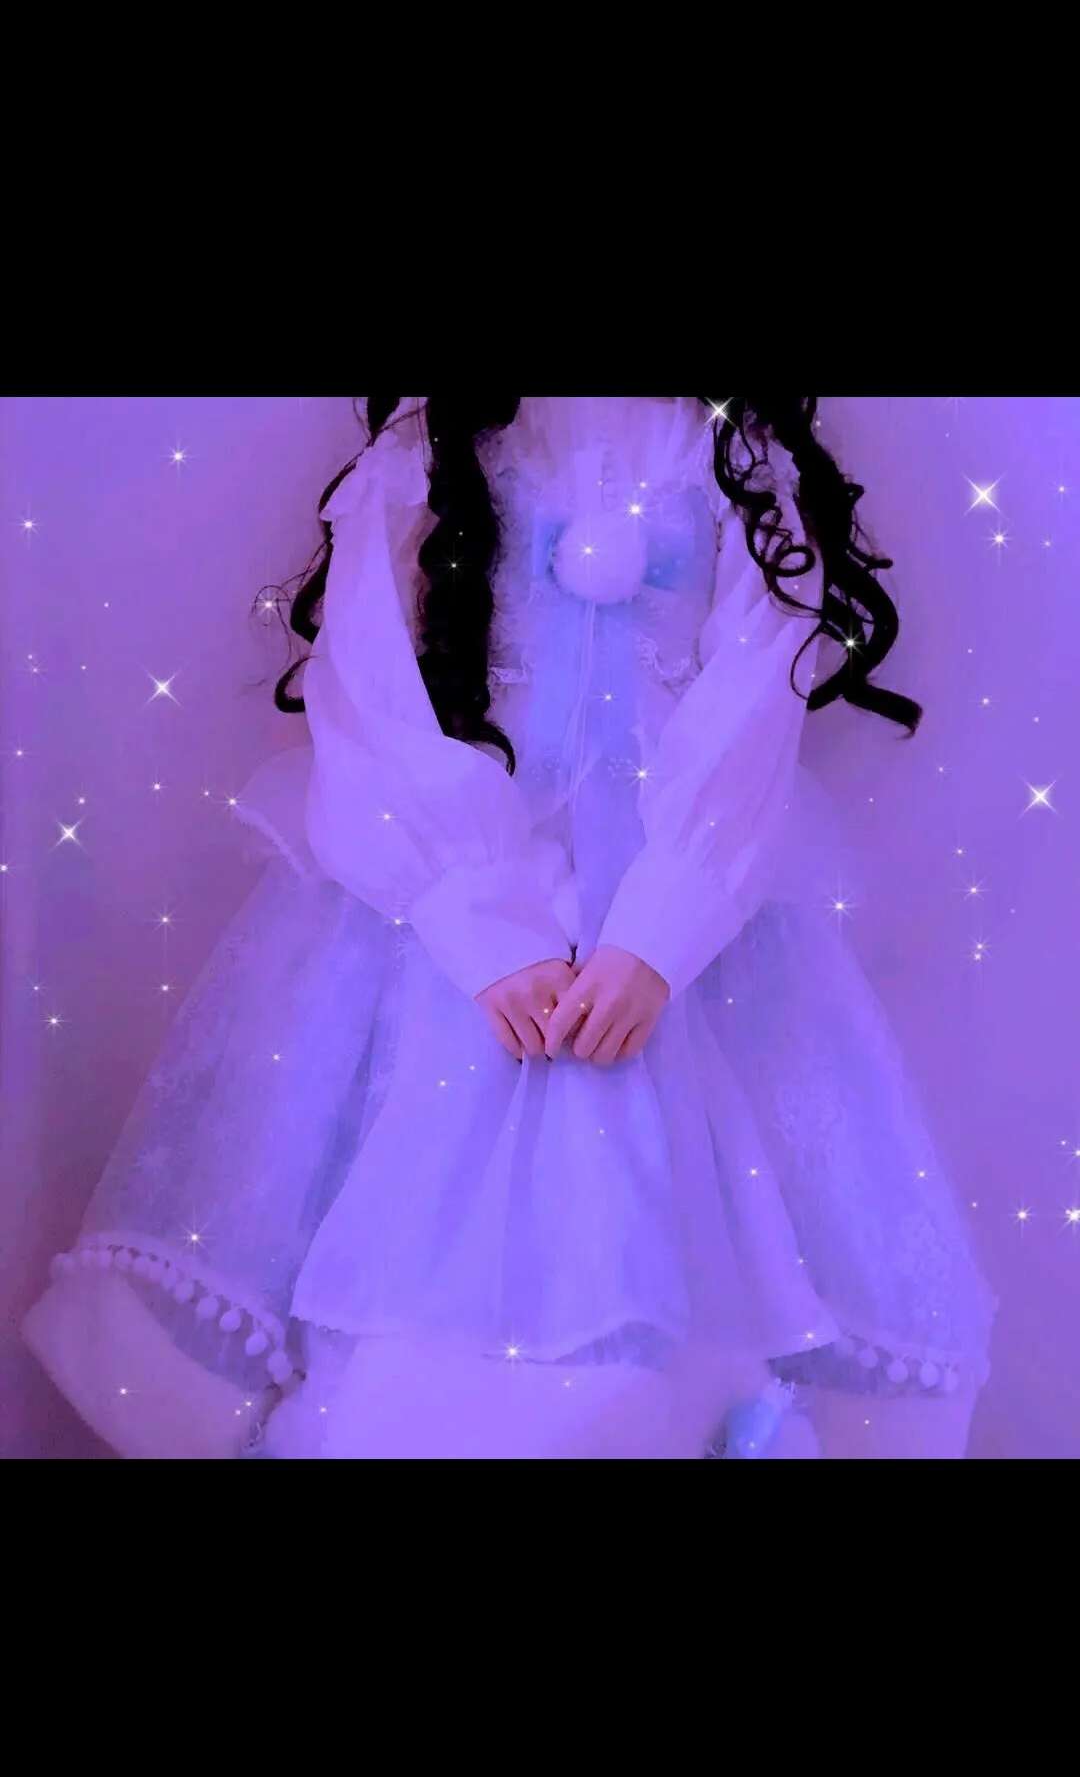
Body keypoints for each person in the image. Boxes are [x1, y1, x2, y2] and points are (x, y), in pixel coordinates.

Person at [22, 396, 997, 1458]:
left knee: (677, 1191)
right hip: (442, 910)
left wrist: (661, 928)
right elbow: (370, 686)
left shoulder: (734, 465)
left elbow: (756, 701)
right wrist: (476, 912)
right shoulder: (425, 456)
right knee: (415, 1188)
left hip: (677, 913)